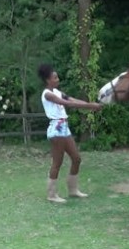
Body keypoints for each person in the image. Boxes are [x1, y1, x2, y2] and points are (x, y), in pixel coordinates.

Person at [37, 64, 102, 203]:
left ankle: (73, 190)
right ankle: (51, 195)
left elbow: (71, 100)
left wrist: (89, 104)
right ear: (48, 80)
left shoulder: (57, 91)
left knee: (76, 158)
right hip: (56, 129)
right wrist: (90, 106)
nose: (58, 79)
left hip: (64, 128)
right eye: (55, 77)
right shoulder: (47, 94)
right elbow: (67, 104)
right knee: (57, 162)